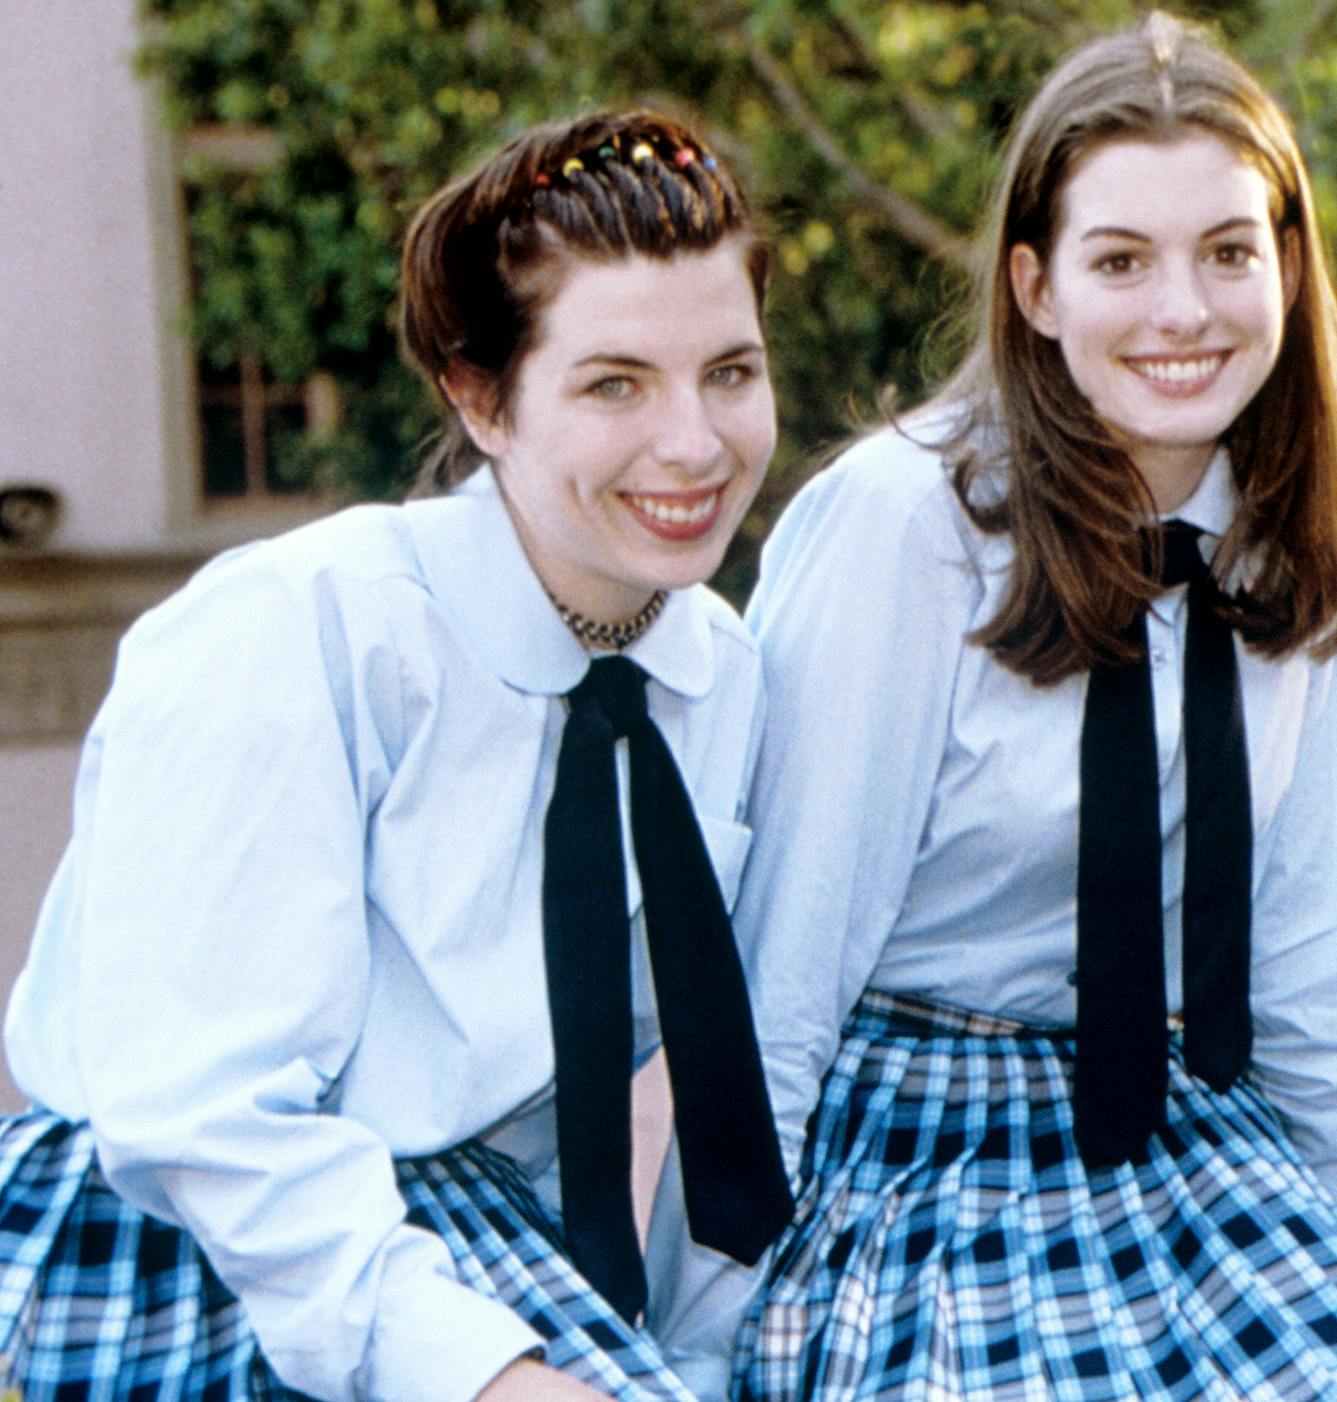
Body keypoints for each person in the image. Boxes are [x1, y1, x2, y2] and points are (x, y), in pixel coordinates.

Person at [729, 13, 1337, 1400]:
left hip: (1193, 1143)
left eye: (1229, 252)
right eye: (1121, 259)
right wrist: (703, 1335)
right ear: (1035, 286)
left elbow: (1309, 986)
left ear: (1291, 270)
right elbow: (782, 976)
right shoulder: (908, 525)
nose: (1183, 311)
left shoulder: (1283, 549)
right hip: (920, 1150)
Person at [0, 108, 792, 1401]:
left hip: (476, 1247)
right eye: (614, 384)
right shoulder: (299, 627)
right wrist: (487, 1375)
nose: (695, 444)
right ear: (480, 397)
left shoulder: (718, 673)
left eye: (731, 372)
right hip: (189, 1248)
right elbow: (200, 1113)